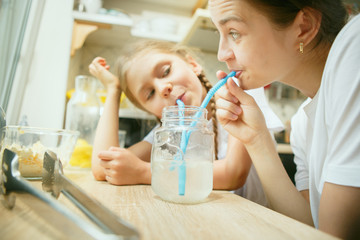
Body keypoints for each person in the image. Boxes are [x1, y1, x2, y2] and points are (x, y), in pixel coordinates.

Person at [209, 0, 360, 238]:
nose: (222, 54)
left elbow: (335, 236)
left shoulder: (355, 43)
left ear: (304, 28)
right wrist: (256, 140)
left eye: (234, 33)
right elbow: (309, 229)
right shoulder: (302, 124)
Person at [88, 39, 284, 206]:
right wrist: (113, 91)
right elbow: (101, 166)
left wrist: (143, 172)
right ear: (149, 111)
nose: (163, 88)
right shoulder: (169, 131)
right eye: (150, 94)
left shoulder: (238, 94)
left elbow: (233, 174)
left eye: (165, 71)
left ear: (192, 64)